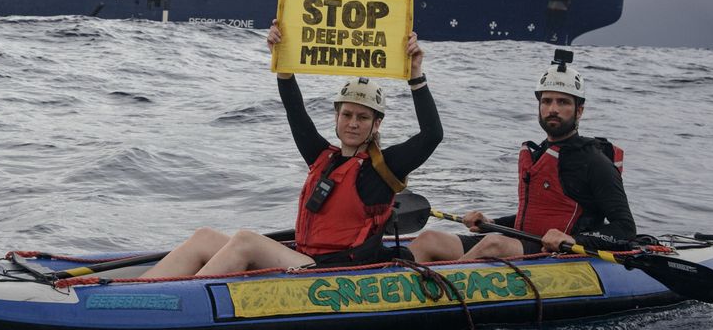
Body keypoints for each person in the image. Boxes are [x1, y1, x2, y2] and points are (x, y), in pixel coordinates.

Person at [140, 20, 443, 278]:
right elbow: (295, 111)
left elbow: (432, 135)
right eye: (347, 115)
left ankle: (177, 300)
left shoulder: (383, 168)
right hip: (304, 260)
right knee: (205, 236)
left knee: (246, 240)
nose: (353, 123)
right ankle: (132, 292)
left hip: (335, 274)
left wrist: (415, 73)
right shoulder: (322, 157)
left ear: (376, 125)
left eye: (363, 117)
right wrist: (282, 60)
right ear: (336, 117)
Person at [407, 50, 635, 262]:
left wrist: (574, 240)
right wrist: (492, 223)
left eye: (563, 102)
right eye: (546, 101)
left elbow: (624, 228)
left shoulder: (595, 162)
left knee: (493, 244)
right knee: (429, 239)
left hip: (557, 256)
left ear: (580, 111)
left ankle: (442, 288)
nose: (552, 109)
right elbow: (534, 217)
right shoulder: (540, 153)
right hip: (524, 245)